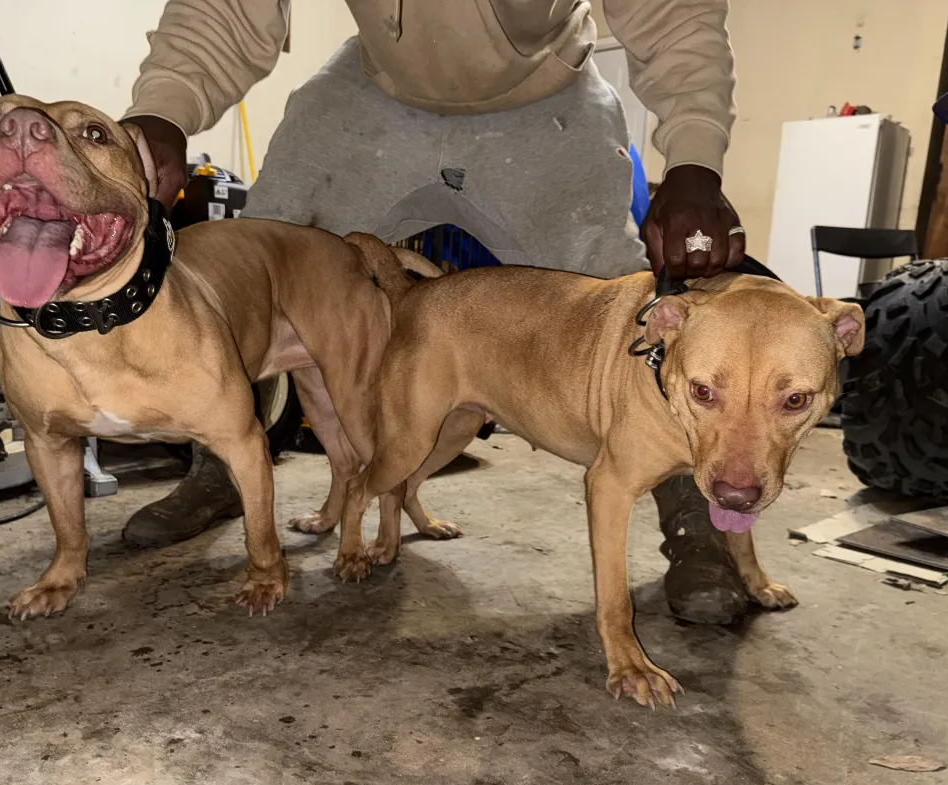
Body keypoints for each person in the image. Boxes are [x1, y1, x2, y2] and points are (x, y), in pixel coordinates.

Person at [120, 0, 752, 625]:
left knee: (631, 307)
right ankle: (223, 466)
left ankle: (697, 520)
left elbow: (673, 13)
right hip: (371, 94)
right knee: (258, 255)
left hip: (549, 101)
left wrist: (695, 159)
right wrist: (164, 110)